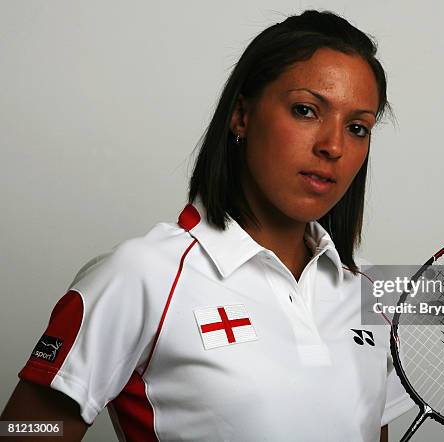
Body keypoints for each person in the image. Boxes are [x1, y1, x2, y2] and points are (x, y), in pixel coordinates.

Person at [1, 10, 413, 441]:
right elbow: (21, 430)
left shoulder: (368, 290)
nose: (333, 146)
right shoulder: (145, 274)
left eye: (357, 128)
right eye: (306, 110)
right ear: (241, 115)